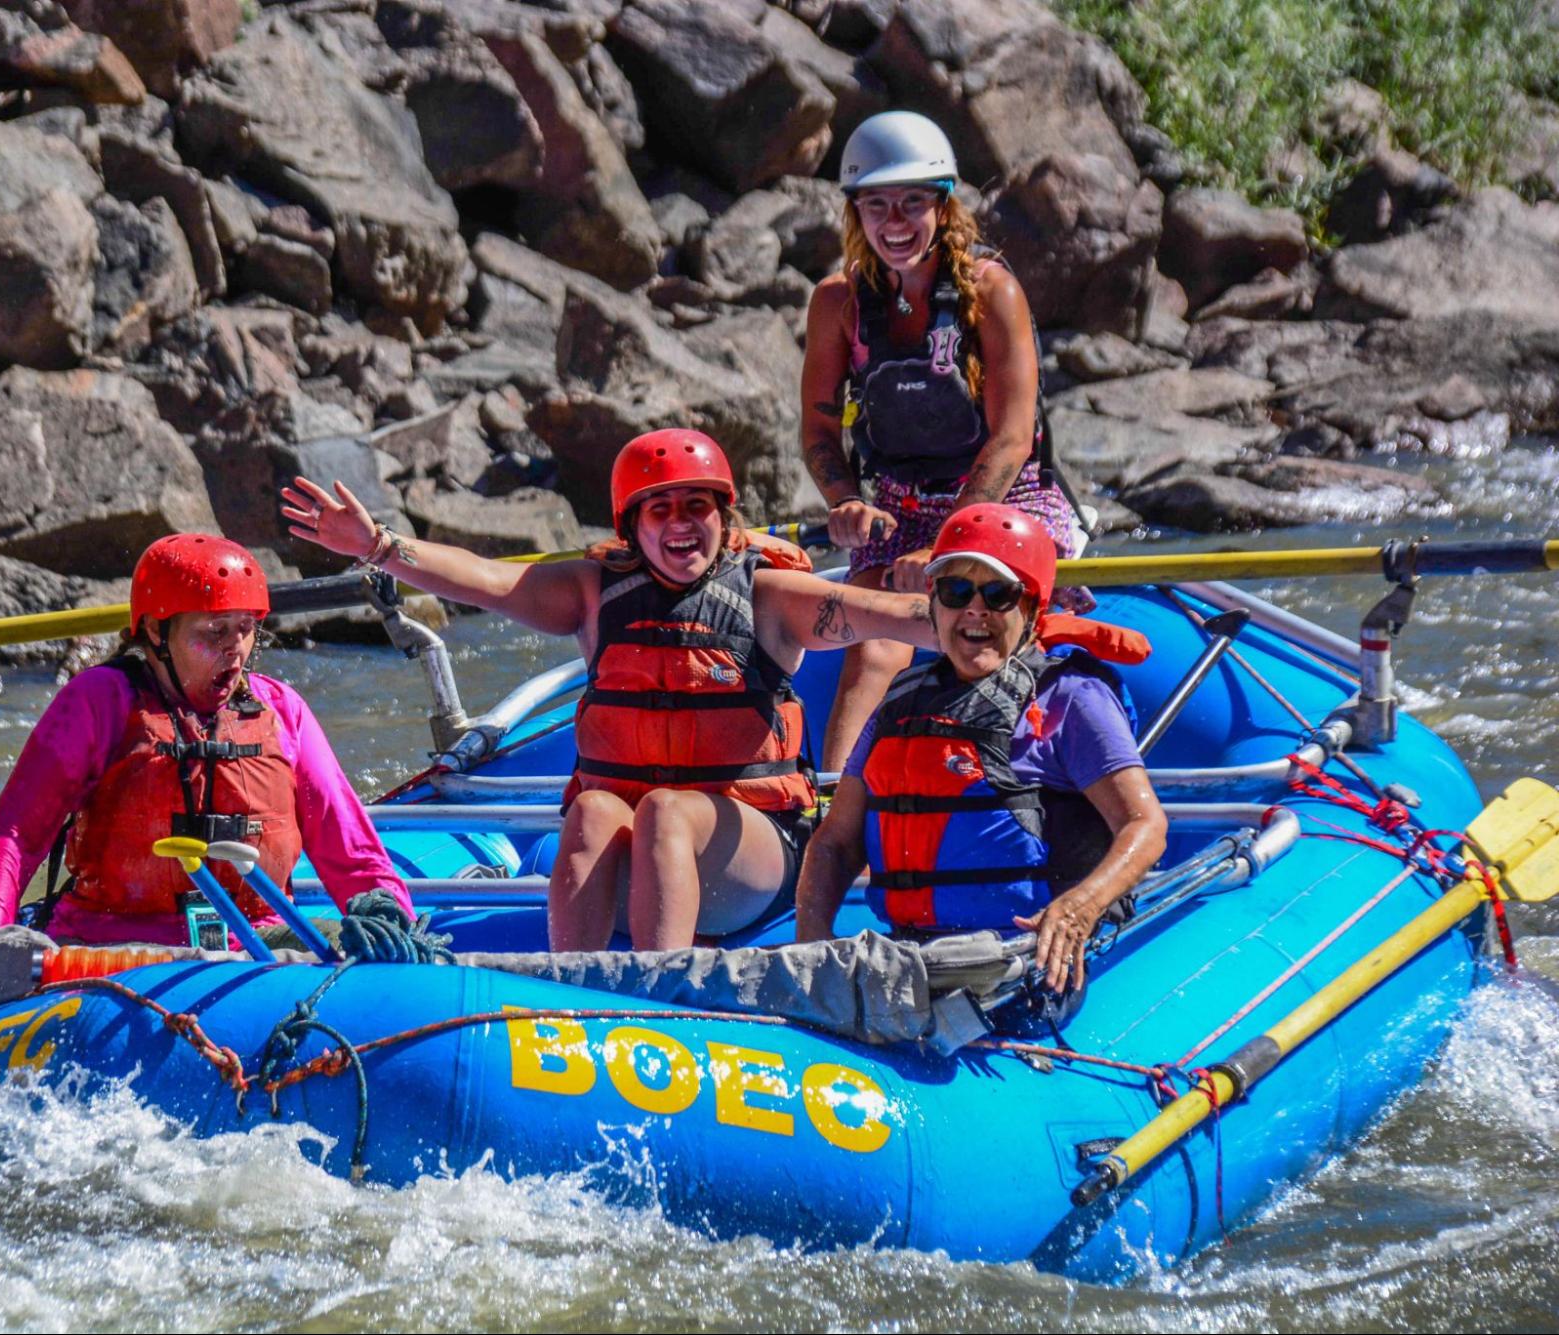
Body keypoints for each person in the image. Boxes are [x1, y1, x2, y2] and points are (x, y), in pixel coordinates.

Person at [281, 429, 938, 952]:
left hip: (750, 859)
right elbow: (480, 578)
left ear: (721, 514)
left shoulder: (769, 596)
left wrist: (960, 596)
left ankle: (659, 990)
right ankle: (575, 988)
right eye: (661, 508)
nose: (680, 522)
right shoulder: (594, 593)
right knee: (595, 810)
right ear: (632, 525)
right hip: (633, 868)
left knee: (666, 810)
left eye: (696, 506)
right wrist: (377, 545)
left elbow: (882, 615)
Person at [799, 109, 1086, 779]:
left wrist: (948, 542)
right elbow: (817, 430)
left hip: (999, 499)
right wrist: (844, 501)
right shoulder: (835, 303)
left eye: (910, 203)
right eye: (876, 205)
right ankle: (833, 809)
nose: (893, 223)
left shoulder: (992, 293)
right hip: (898, 508)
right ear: (855, 212)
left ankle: (1020, 778)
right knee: (872, 643)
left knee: (983, 623)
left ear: (942, 205)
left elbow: (1013, 437)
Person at [0, 533, 412, 948]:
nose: (235, 648)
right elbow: (18, 834)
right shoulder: (99, 700)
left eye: (245, 628)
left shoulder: (282, 709)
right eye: (215, 631)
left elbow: (348, 844)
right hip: (109, 946)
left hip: (254, 942)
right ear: (158, 632)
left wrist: (388, 916)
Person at [795, 504, 1164, 995]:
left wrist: (1080, 907)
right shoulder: (902, 701)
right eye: (955, 590)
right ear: (934, 603)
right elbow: (837, 841)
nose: (974, 608)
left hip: (1019, 963)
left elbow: (1146, 825)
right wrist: (813, 944)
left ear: (1032, 608)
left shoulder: (1070, 696)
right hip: (911, 954)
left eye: (999, 593)